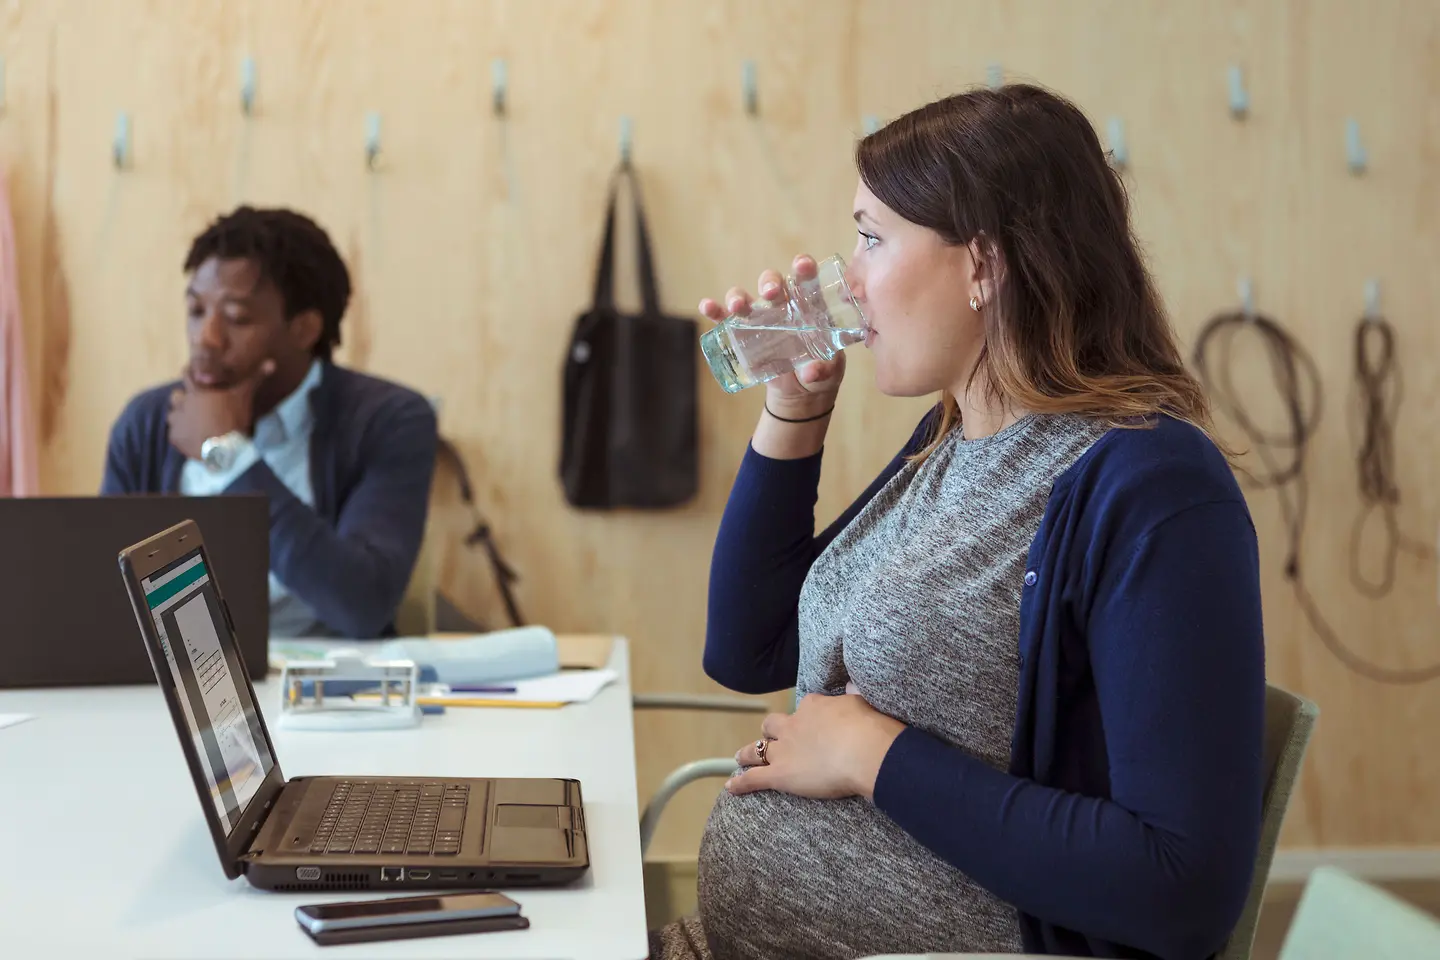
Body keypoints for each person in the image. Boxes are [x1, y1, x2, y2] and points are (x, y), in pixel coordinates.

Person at [652, 85, 1265, 960]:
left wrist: (872, 754)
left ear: (984, 264)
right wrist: (793, 411)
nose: (846, 280)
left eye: (871, 239)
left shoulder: (1153, 486)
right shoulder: (948, 439)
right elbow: (748, 651)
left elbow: (1181, 889)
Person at [101, 206, 438, 639]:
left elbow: (362, 604)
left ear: (305, 329)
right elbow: (106, 603)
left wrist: (227, 454)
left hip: (329, 673)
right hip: (183, 672)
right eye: (196, 310)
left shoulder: (389, 420)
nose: (207, 338)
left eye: (237, 318)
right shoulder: (147, 423)